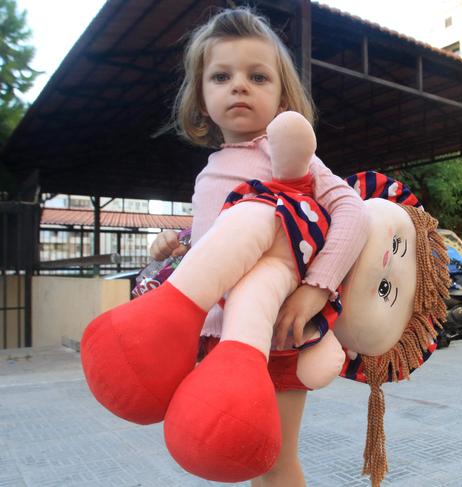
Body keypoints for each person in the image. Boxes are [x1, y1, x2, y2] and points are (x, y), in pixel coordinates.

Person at [148, 8, 370, 487]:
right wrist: (177, 244)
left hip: (277, 335)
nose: (239, 86)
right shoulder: (210, 170)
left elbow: (352, 212)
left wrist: (316, 286)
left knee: (272, 459)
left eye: (258, 76)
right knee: (245, 459)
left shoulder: (286, 153)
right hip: (221, 337)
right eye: (222, 76)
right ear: (202, 97)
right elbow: (220, 242)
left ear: (282, 96)